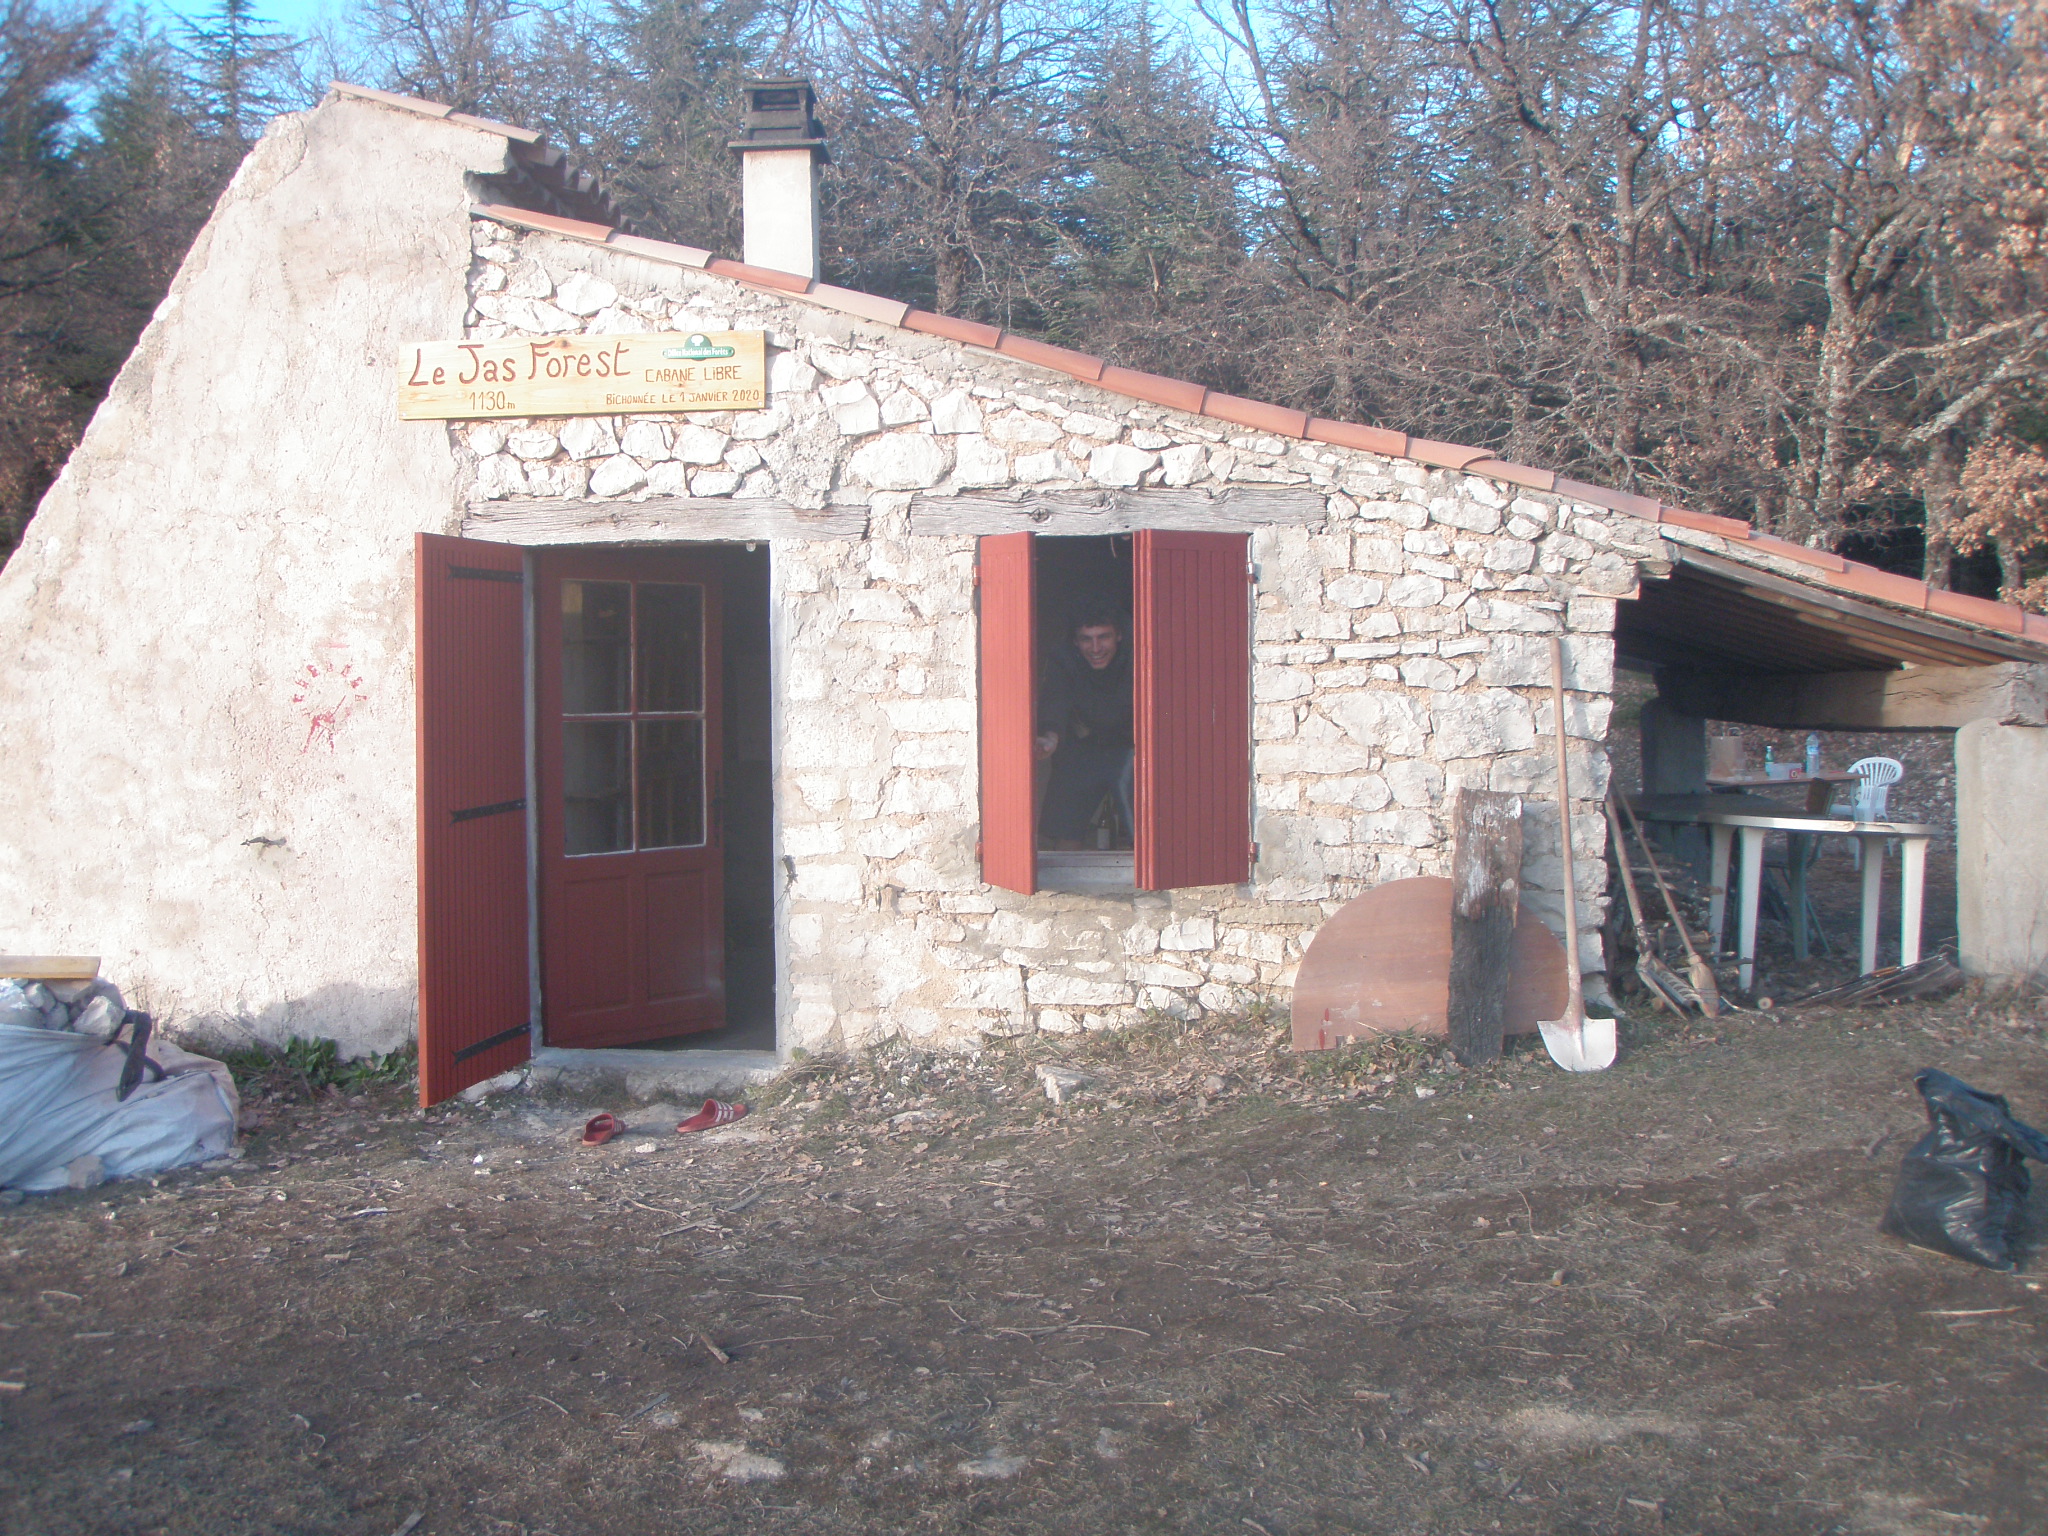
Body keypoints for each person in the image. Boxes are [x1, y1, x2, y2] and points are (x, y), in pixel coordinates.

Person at [1036, 602, 1133, 849]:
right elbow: (1055, 701)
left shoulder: (1137, 655)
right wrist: (1051, 737)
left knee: (1143, 820)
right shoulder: (1063, 659)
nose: (1096, 648)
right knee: (1064, 822)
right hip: (1083, 742)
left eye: (1104, 637)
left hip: (1132, 743)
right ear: (1076, 642)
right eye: (1086, 639)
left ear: (1119, 635)